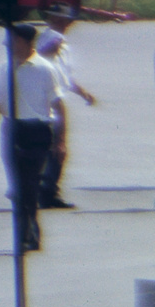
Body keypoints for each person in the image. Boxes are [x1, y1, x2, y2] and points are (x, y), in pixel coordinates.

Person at [0, 22, 64, 254]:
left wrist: (61, 140)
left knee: (29, 186)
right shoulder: (5, 68)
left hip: (38, 132)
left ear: (23, 42)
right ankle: (26, 234)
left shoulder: (45, 69)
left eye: (11, 39)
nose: (6, 43)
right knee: (18, 188)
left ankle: (27, 233)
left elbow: (58, 106)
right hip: (12, 130)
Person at [35, 14, 99, 208]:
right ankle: (46, 193)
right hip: (46, 102)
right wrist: (52, 46)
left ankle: (42, 190)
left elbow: (66, 77)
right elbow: (38, 57)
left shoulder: (64, 45)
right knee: (56, 149)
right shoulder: (49, 37)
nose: (64, 24)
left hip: (56, 99)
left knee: (51, 150)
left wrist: (83, 93)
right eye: (59, 20)